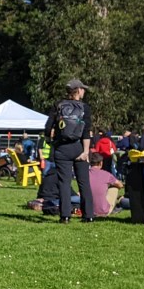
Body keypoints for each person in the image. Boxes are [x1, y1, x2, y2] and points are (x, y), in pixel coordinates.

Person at [46, 79, 94, 223]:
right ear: (78, 90)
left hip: (62, 148)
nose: (84, 91)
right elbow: (86, 131)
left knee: (64, 183)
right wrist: (85, 152)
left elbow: (48, 127)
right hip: (79, 147)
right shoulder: (85, 107)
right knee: (84, 182)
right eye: (83, 89)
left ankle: (65, 216)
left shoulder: (58, 105)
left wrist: (50, 141)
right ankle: (88, 215)